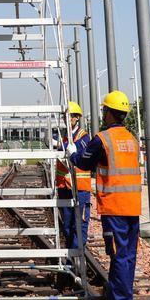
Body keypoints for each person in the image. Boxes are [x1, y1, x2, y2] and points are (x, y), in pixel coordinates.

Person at [70, 91, 141, 300]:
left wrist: (72, 154)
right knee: (127, 255)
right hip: (133, 207)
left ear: (108, 113)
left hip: (115, 206)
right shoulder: (131, 138)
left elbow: (83, 162)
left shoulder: (102, 139)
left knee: (119, 255)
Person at [56, 101, 91, 250]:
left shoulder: (83, 137)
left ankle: (76, 258)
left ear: (76, 118)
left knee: (79, 226)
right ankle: (71, 257)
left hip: (80, 189)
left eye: (69, 117)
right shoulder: (64, 138)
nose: (66, 120)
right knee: (67, 226)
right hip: (64, 188)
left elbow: (79, 151)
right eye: (64, 117)